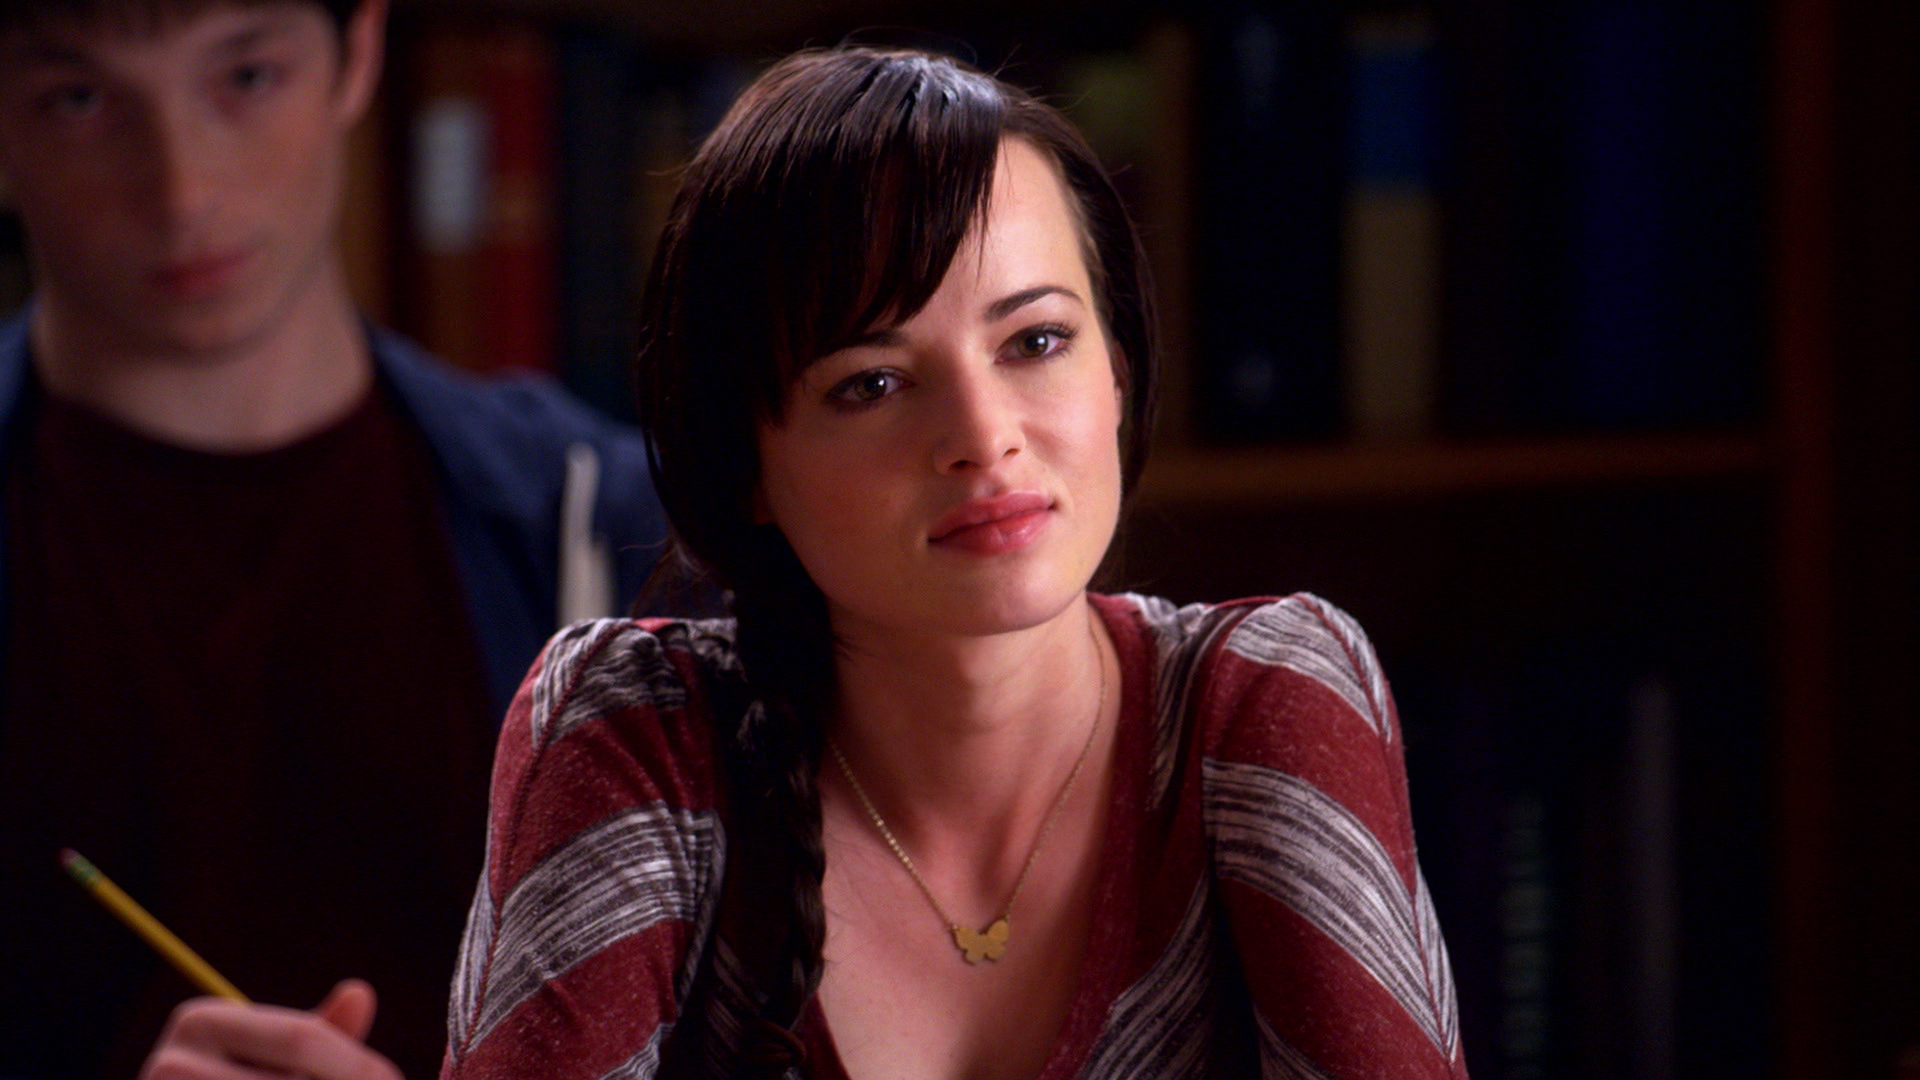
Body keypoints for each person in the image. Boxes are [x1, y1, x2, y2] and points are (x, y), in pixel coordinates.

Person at [140, 45, 1468, 1080]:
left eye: (1037, 341)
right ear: (748, 467)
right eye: (871, 382)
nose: (983, 435)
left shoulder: (1265, 698)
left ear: (1118, 369)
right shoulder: (638, 736)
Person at [0, 0, 668, 1077]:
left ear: (356, 54)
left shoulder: (607, 529)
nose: (182, 190)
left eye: (246, 77)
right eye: (78, 99)